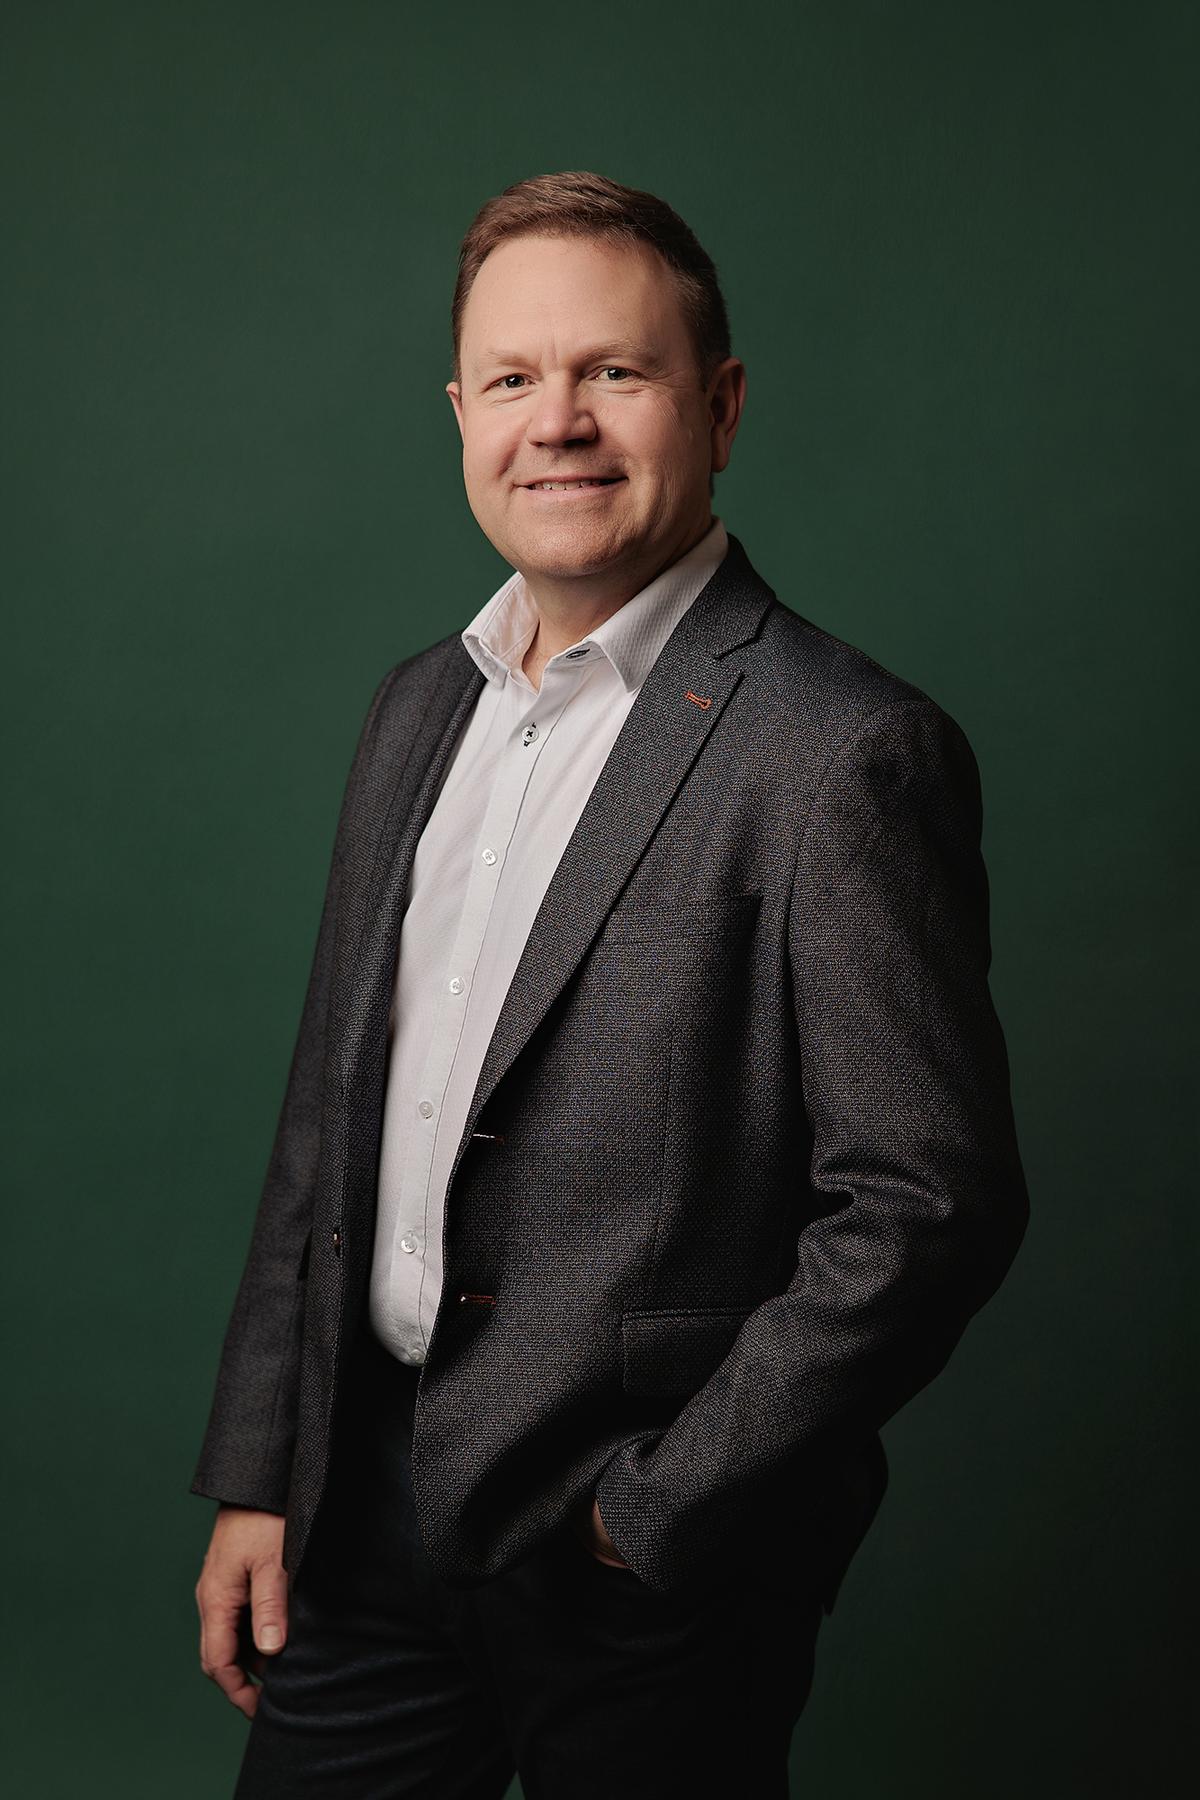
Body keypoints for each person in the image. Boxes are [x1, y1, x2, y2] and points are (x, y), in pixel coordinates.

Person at [192, 169, 1029, 1798]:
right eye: (513, 379)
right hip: (360, 1517)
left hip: (645, 1566)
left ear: (717, 405)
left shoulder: (843, 752)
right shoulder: (411, 711)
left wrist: (654, 1514)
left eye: (614, 374)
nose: (556, 422)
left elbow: (927, 1204)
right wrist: (261, 1471)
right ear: (460, 414)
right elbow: (329, 1126)